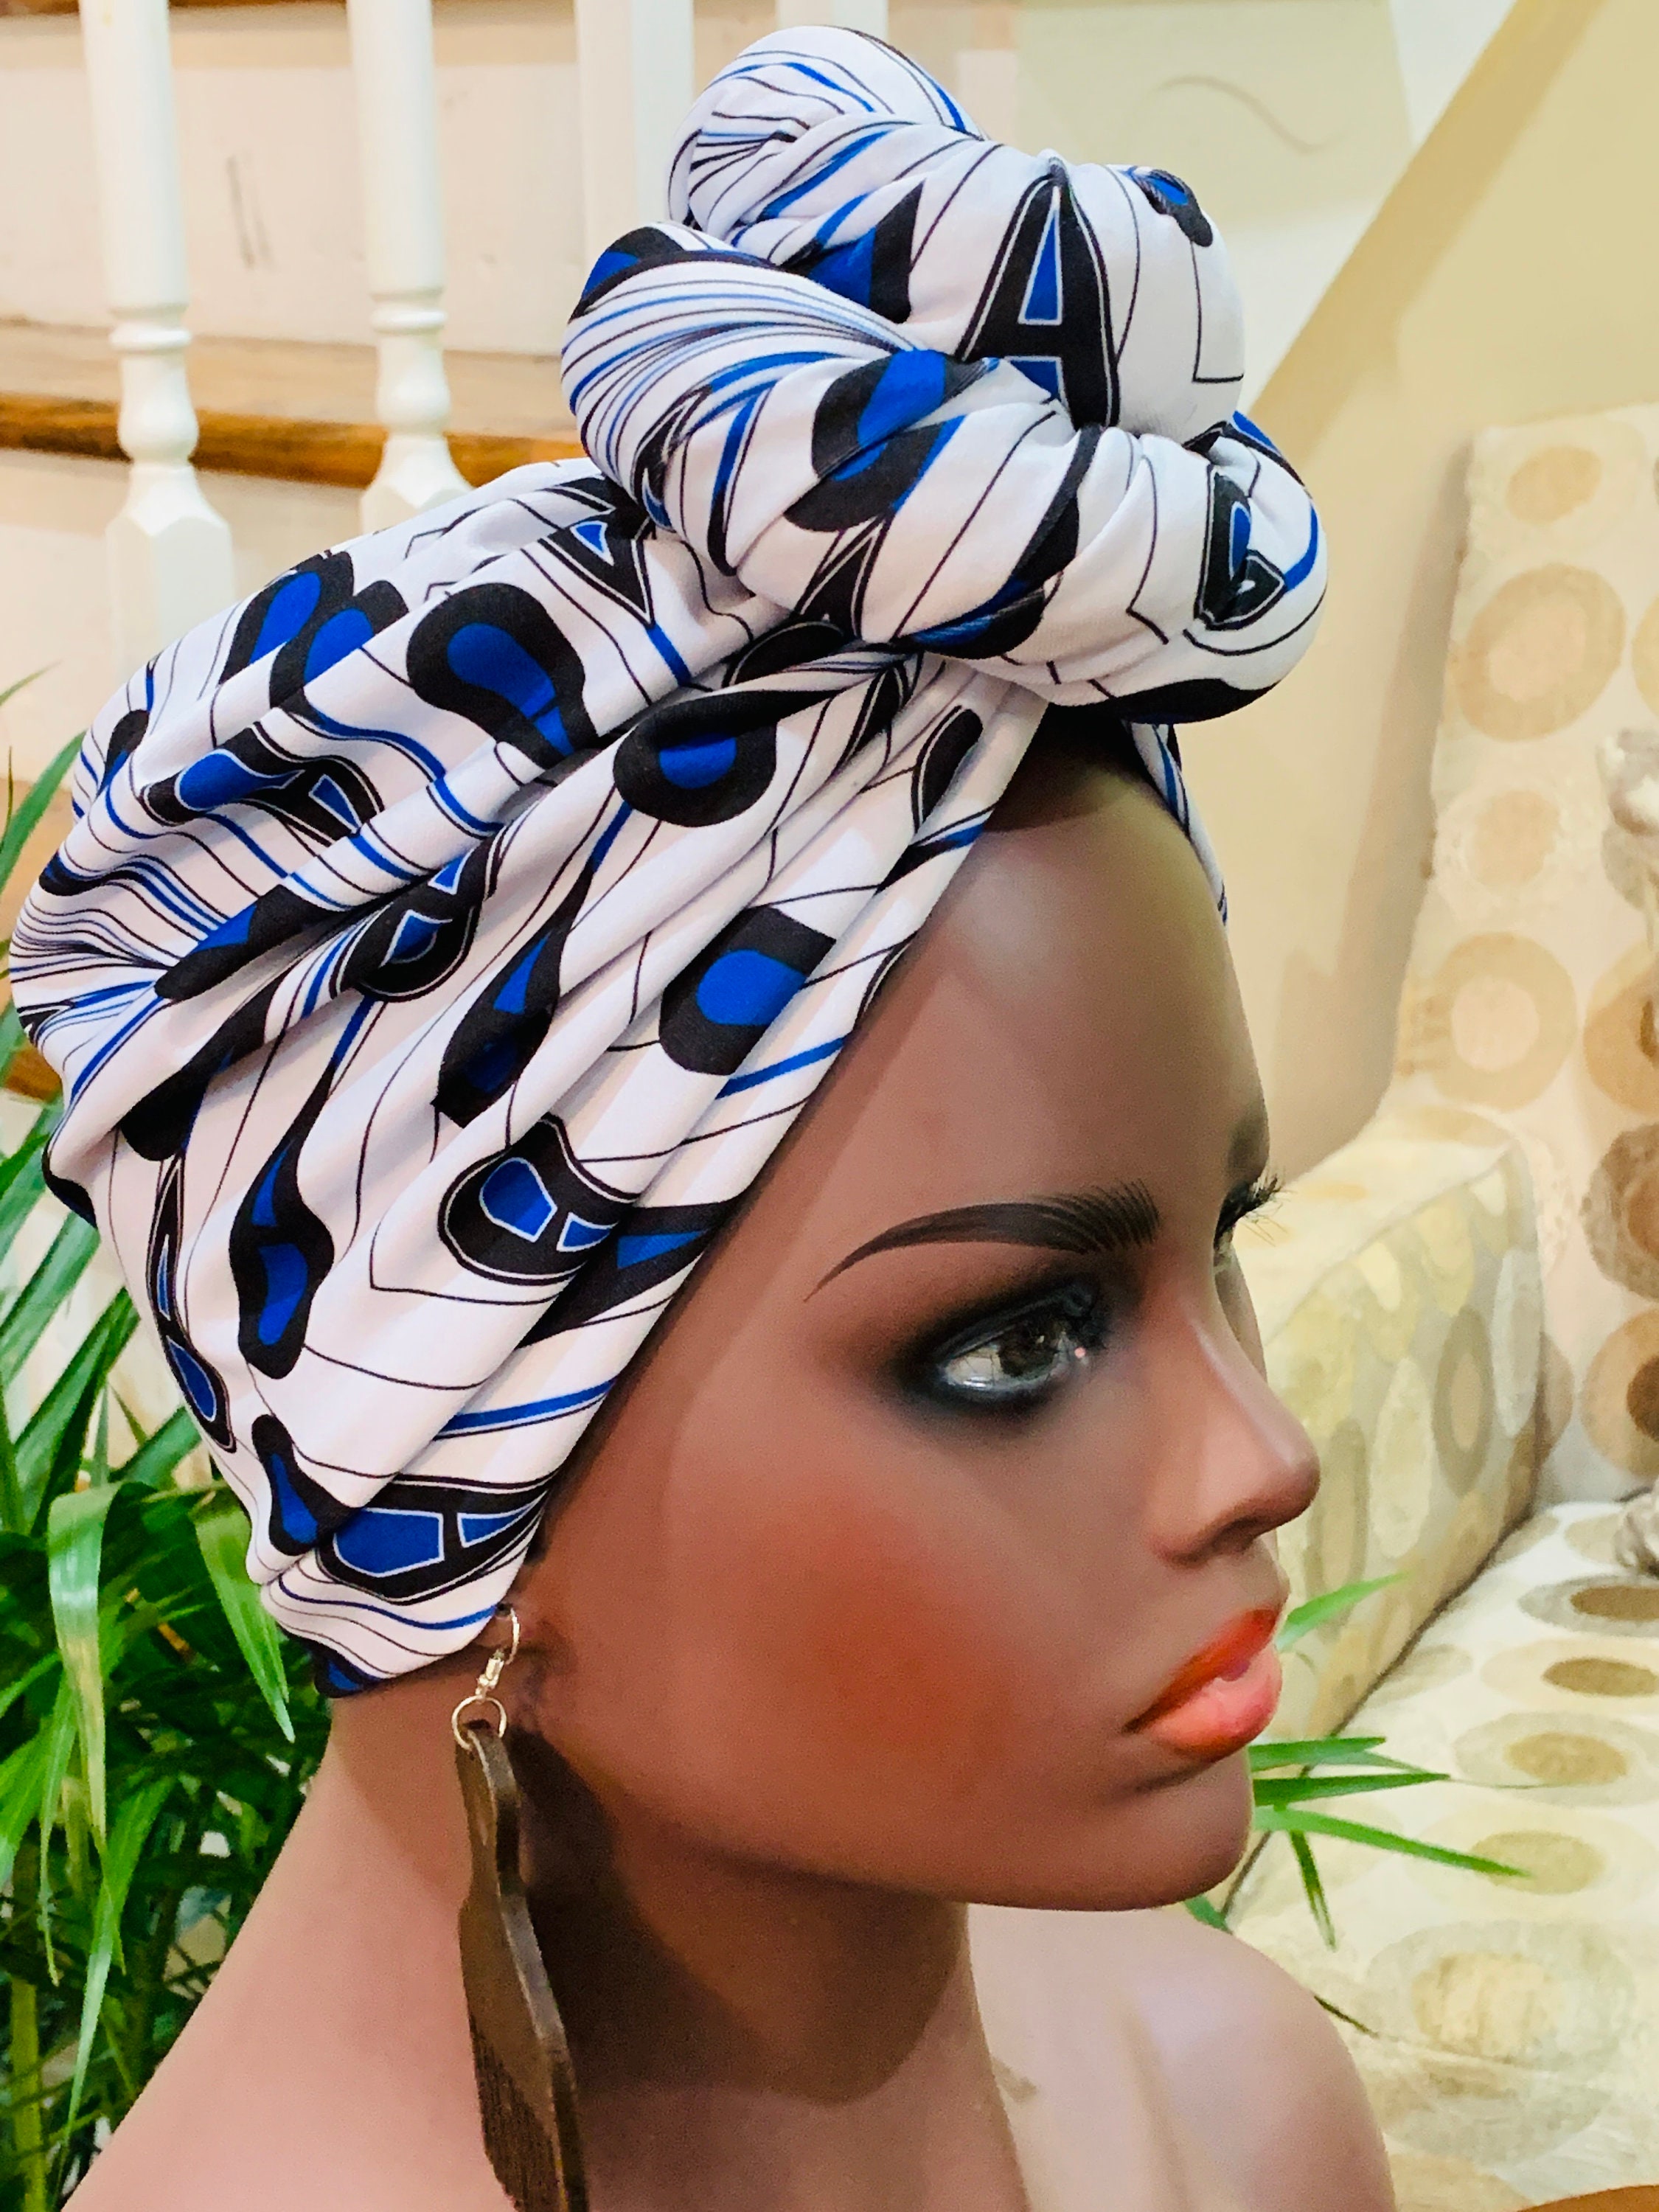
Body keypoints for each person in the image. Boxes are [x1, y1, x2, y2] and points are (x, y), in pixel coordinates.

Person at [15, 29, 1405, 2212]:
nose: (1262, 1453)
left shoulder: (1236, 2108)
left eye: (1216, 1240)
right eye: (1017, 1341)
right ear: (448, 1482)